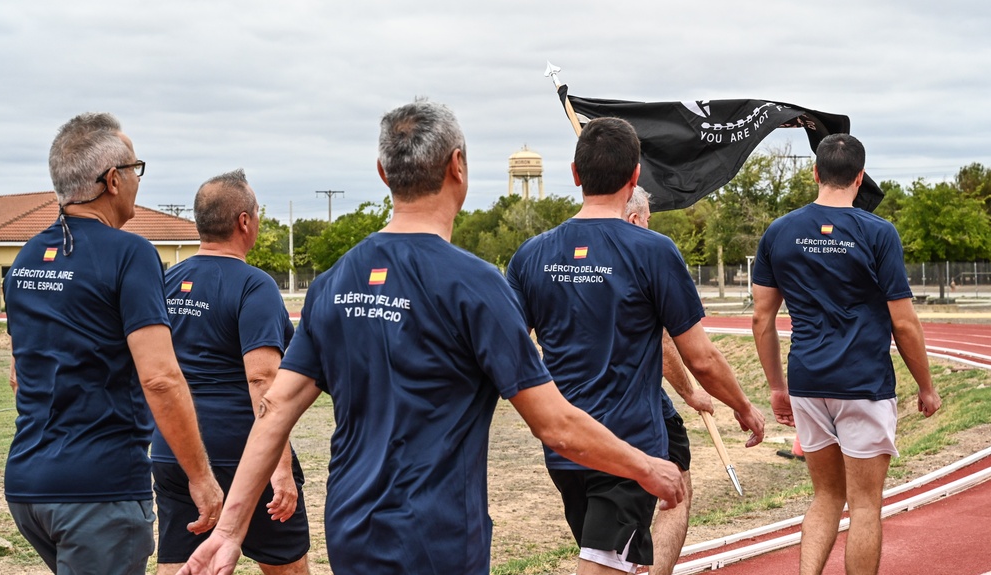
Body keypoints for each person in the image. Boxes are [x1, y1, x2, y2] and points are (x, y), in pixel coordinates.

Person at [175, 99, 686, 575]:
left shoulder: (334, 281)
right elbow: (556, 426)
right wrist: (647, 467)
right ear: (457, 167)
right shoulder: (477, 285)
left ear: (383, 174)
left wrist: (230, 529)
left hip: (350, 528)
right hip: (438, 537)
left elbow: (275, 409)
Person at [507, 117, 765, 575]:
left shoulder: (530, 255)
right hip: (628, 448)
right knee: (605, 569)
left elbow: (508, 350)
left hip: (566, 451)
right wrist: (744, 407)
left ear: (573, 173)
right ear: (635, 176)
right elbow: (700, 356)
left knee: (611, 563)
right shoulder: (654, 251)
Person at [3, 112, 222, 574]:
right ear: (112, 181)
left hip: (27, 484)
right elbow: (160, 378)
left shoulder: (25, 258)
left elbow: (20, 372)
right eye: (134, 169)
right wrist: (201, 479)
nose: (136, 181)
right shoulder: (131, 253)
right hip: (98, 490)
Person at [751, 133, 942, 575]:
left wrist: (778, 388)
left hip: (807, 382)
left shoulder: (779, 232)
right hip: (863, 384)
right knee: (865, 505)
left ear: (815, 173)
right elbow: (905, 322)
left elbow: (762, 319)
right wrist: (926, 387)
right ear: (859, 178)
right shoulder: (878, 232)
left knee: (825, 497)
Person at [152, 169, 310, 575]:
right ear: (245, 221)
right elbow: (263, 380)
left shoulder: (166, 281)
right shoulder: (254, 286)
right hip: (241, 454)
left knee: (182, 565)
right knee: (285, 567)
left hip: (175, 451)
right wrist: (280, 468)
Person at [624, 187, 715, 575]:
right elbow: (669, 344)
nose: (649, 226)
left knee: (604, 515)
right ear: (634, 219)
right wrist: (693, 392)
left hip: (577, 405)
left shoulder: (547, 252)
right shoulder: (649, 253)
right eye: (647, 219)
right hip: (638, 399)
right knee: (673, 491)